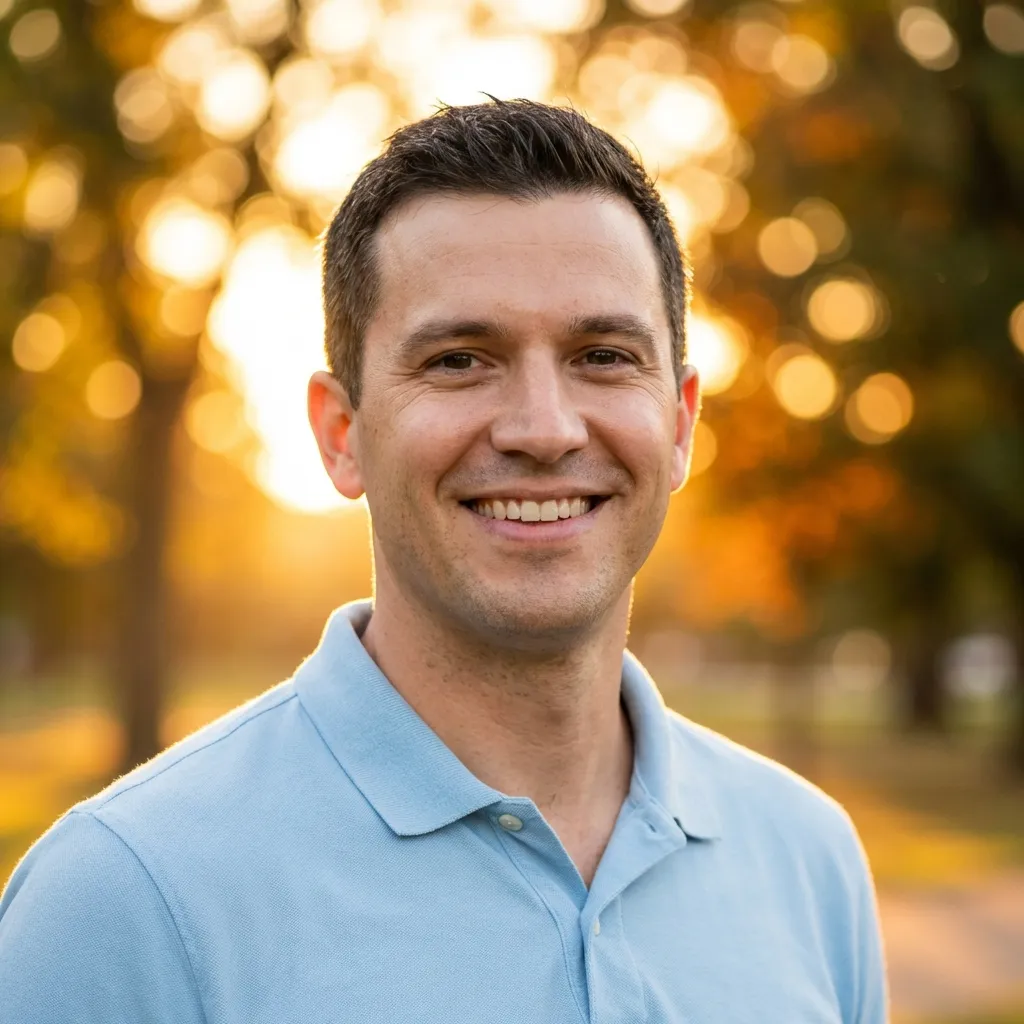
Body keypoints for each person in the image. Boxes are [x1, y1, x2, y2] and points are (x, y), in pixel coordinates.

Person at [0, 99, 887, 1023]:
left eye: (602, 355)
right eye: (461, 360)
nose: (544, 428)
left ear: (679, 424)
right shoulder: (124, 902)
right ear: (341, 433)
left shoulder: (809, 862)